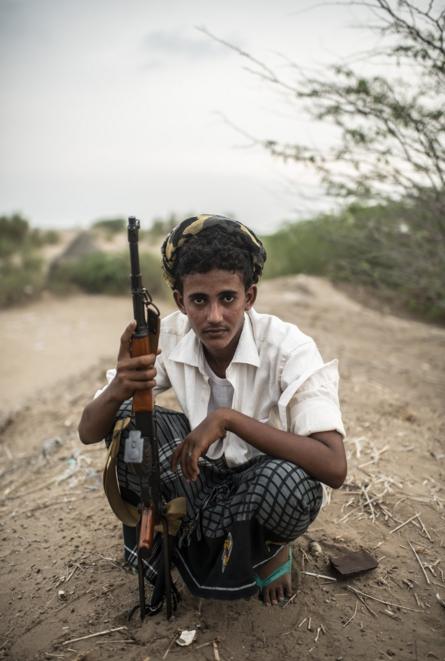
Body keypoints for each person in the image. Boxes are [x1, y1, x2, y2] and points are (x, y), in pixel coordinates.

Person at [78, 214, 346, 608]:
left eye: (228, 298)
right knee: (131, 428)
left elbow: (334, 467)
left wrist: (227, 420)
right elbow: (88, 431)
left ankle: (270, 549)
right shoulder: (167, 335)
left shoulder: (289, 347)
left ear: (249, 297)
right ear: (180, 302)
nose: (214, 316)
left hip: (260, 481)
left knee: (290, 486)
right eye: (199, 300)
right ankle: (182, 535)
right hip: (199, 476)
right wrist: (121, 384)